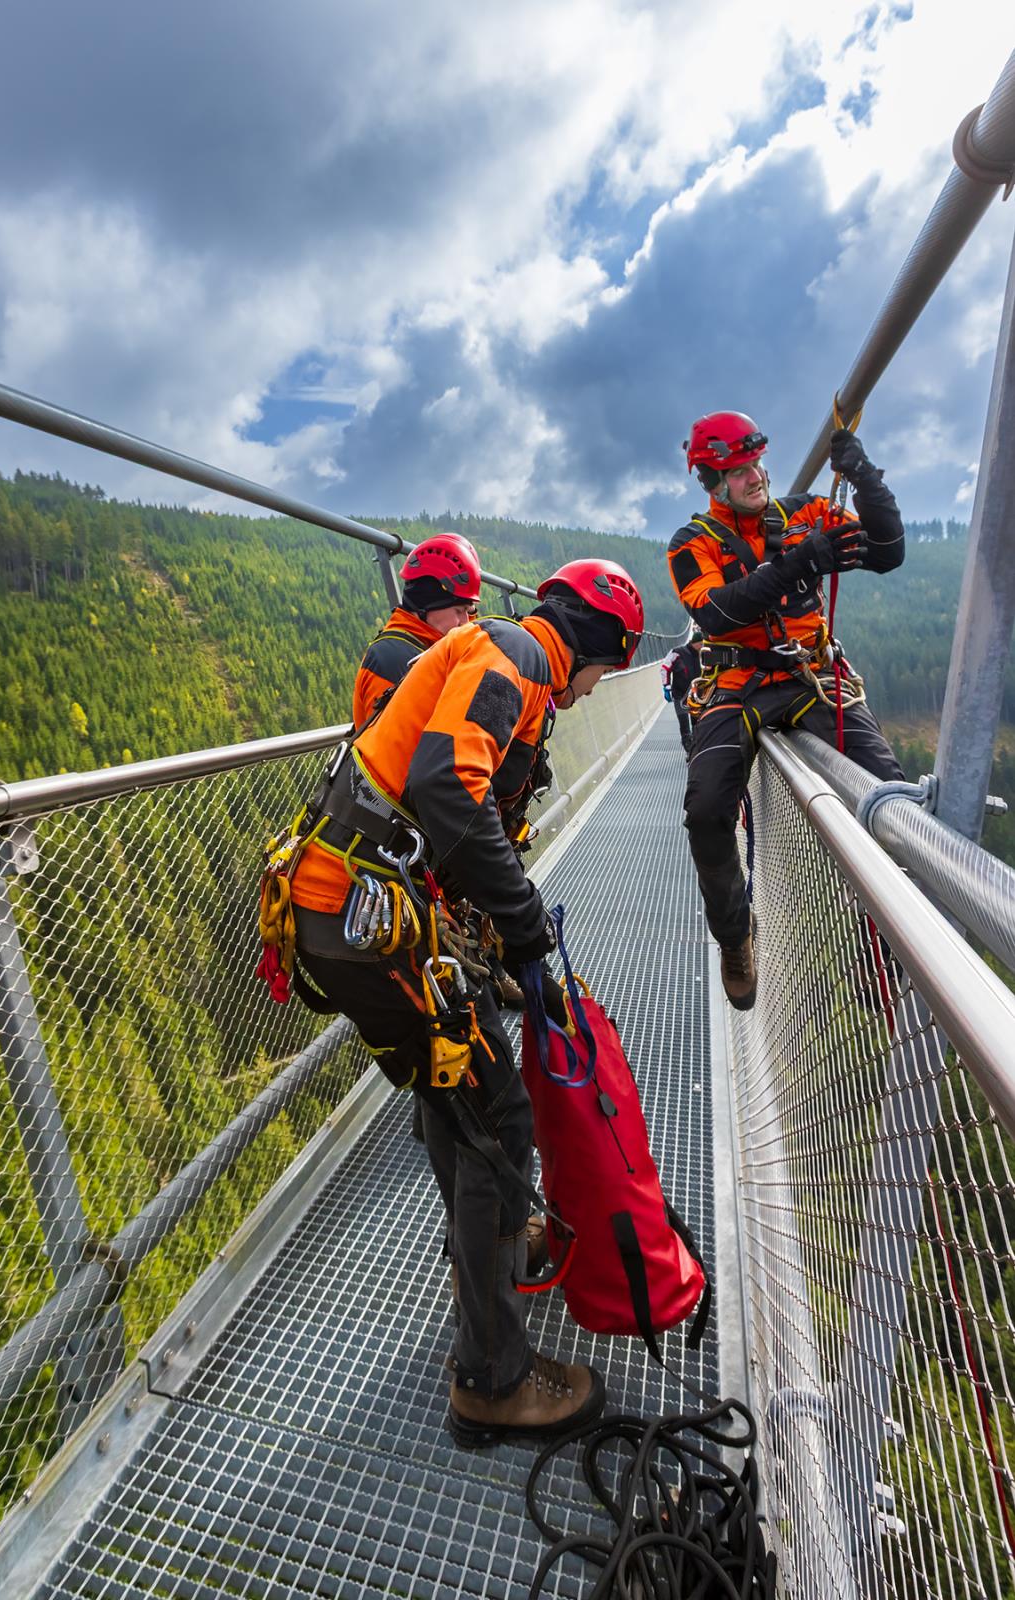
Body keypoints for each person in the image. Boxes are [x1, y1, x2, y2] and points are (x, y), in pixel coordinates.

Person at [288, 559, 645, 1446]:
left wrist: (500, 934)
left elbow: (448, 797)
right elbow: (450, 789)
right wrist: (526, 933)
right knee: (498, 1116)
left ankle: (489, 1250)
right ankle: (493, 1381)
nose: (601, 685)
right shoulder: (519, 655)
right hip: (370, 921)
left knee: (459, 1093)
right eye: (613, 663)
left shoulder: (503, 659)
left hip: (354, 916)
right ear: (602, 641)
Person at [668, 411, 905, 1010]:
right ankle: (736, 935)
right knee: (705, 811)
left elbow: (886, 552)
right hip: (736, 684)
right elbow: (717, 613)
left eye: (756, 464)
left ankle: (879, 943)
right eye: (738, 470)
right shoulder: (691, 543)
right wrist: (802, 562)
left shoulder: (803, 514)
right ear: (711, 482)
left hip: (808, 675)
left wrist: (866, 479)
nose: (755, 477)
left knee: (891, 794)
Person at [353, 532, 482, 728]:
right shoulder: (392, 660)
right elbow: (393, 749)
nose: (465, 622)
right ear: (428, 605)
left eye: (470, 611)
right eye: (459, 611)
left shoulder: (427, 645)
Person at [660, 634, 702, 756]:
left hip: (695, 695)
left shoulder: (702, 654)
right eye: (701, 644)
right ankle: (689, 750)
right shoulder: (677, 653)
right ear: (696, 643)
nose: (702, 646)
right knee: (684, 722)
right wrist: (666, 686)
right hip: (679, 694)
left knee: (697, 722)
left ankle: (696, 748)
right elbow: (665, 668)